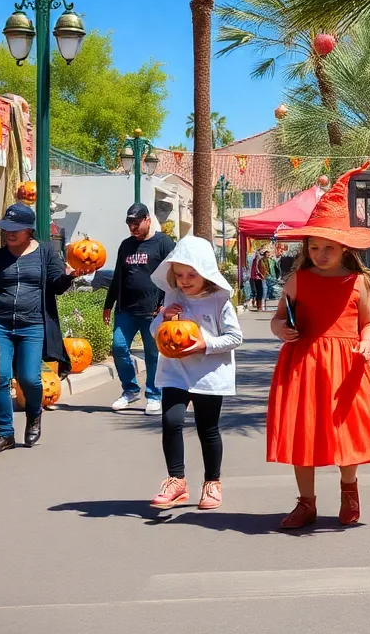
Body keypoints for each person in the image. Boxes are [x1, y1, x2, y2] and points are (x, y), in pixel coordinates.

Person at [267, 164, 370, 530]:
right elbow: (279, 318)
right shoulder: (297, 279)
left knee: (345, 431)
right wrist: (281, 330)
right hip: (304, 362)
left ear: (345, 248)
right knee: (302, 433)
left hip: (346, 363)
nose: (320, 253)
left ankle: (348, 490)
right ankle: (306, 502)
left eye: (328, 247)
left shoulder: (357, 282)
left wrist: (369, 344)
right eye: (314, 246)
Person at [147, 236, 243, 511]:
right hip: (176, 371)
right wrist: (163, 317)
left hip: (208, 375)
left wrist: (206, 344)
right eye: (179, 275)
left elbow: (235, 337)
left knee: (207, 428)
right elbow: (156, 334)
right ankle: (176, 480)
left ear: (205, 273)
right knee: (171, 421)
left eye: (192, 274)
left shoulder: (219, 300)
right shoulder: (172, 297)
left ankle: (212, 482)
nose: (185, 280)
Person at [0, 203, 80, 454]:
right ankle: (5, 434)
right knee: (0, 378)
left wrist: (69, 276)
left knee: (29, 379)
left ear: (29, 230)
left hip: (32, 325)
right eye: (6, 229)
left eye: (16, 229)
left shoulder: (45, 253)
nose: (9, 233)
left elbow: (56, 286)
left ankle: (34, 414)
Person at [105, 203, 175, 416]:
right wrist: (108, 304)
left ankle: (154, 396)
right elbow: (118, 275)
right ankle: (130, 389)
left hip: (153, 311)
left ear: (147, 219)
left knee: (152, 354)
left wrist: (165, 303)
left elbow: (172, 274)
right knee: (118, 347)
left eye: (136, 223)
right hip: (126, 309)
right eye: (130, 224)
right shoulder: (126, 245)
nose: (133, 227)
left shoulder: (163, 243)